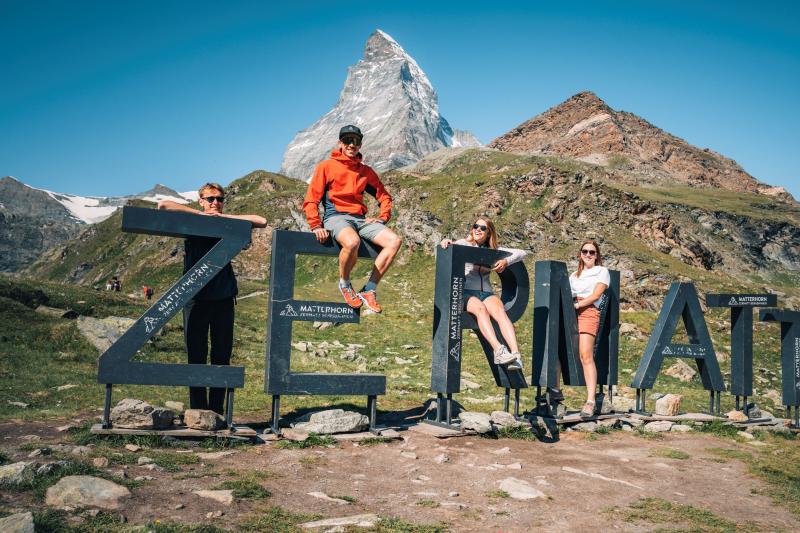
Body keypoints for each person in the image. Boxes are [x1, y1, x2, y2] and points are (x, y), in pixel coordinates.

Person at [157, 183, 267, 415]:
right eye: (210, 199)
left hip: (224, 297)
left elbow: (262, 220)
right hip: (195, 298)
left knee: (221, 355)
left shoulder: (227, 223)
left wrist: (223, 217)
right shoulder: (192, 221)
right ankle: (198, 411)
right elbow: (163, 205)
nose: (215, 203)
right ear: (201, 200)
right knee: (196, 354)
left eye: (219, 199)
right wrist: (201, 215)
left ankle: (217, 412)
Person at [303, 125, 402, 314]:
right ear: (340, 143)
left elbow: (384, 196)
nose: (351, 144)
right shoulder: (326, 167)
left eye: (356, 141)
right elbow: (311, 199)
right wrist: (315, 225)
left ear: (360, 145)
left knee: (394, 241)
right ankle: (345, 284)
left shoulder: (365, 171)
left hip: (360, 219)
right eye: (347, 140)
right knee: (352, 242)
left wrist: (382, 218)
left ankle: (369, 289)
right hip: (336, 216)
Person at [440, 216, 527, 370]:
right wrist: (446, 242)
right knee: (480, 309)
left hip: (486, 292)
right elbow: (446, 249)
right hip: (466, 292)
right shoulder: (463, 244)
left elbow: (521, 252)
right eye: (476, 226)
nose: (478, 230)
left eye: (483, 228)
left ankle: (516, 355)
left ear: (489, 233)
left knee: (500, 312)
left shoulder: (494, 251)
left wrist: (506, 261)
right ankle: (499, 351)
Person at [569, 239, 610, 417]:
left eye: (592, 252)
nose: (588, 254)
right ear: (580, 254)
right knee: (563, 351)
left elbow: (596, 295)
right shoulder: (573, 275)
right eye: (585, 251)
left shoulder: (602, 271)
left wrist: (578, 306)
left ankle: (590, 401)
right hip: (572, 310)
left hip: (588, 310)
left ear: (596, 255)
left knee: (586, 354)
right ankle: (555, 395)